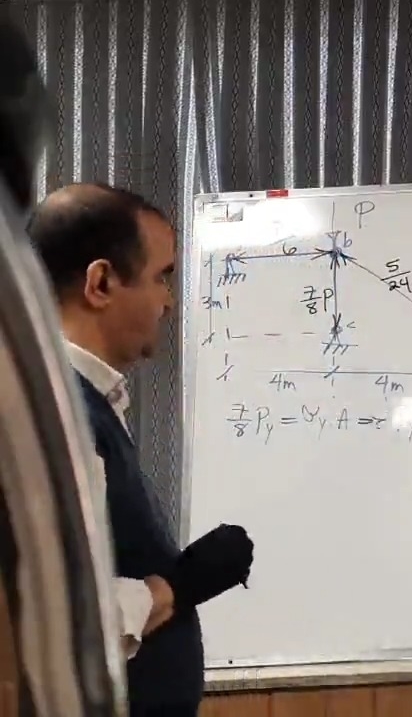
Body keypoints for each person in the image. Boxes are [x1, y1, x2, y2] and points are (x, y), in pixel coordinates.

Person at [27, 182, 255, 717]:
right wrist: (175, 587)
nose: (168, 302)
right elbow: (54, 617)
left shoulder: (80, 400)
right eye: (161, 277)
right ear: (101, 282)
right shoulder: (54, 413)